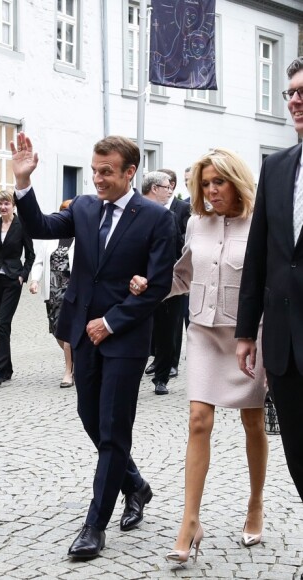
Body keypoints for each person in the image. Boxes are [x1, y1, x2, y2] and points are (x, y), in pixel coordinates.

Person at [12, 132, 177, 559]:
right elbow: (41, 227)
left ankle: (94, 525)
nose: (98, 179)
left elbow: (158, 283)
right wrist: (23, 184)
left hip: (125, 337)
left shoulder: (157, 218)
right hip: (83, 332)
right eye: (94, 170)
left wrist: (113, 320)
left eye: (107, 172)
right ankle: (136, 485)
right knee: (91, 418)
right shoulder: (84, 208)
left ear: (130, 172)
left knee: (113, 429)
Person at [131, 148, 267, 563]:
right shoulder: (196, 222)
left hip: (249, 334)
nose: (211, 191)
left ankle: (255, 504)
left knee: (252, 420)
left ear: (236, 181)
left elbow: (269, 280)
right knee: (198, 420)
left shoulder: (260, 222)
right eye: (205, 183)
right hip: (205, 332)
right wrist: (149, 286)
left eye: (218, 182)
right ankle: (190, 520)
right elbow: (183, 276)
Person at [236, 56, 303, 504]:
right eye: (290, 93)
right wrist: (245, 332)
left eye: (302, 92)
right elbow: (258, 252)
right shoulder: (276, 167)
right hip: (284, 345)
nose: (294, 101)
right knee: (298, 457)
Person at [0, 190, 35, 387]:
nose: (3, 207)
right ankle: (7, 369)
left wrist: (23, 275)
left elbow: (30, 254)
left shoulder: (22, 225)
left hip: (13, 280)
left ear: (13, 205)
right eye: (0, 203)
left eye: (7, 203)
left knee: (3, 322)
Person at [140, 171, 185, 395]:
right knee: (143, 331)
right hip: (139, 283)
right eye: (167, 187)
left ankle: (162, 378)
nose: (171, 190)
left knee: (167, 332)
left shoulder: (172, 216)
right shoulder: (135, 213)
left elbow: (179, 248)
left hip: (169, 284)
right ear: (154, 188)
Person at [28, 199, 74, 388]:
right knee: (57, 331)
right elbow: (39, 261)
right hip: (53, 291)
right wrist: (34, 280)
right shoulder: (51, 237)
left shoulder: (82, 236)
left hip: (73, 291)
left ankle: (68, 370)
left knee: (69, 331)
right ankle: (76, 358)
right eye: (63, 211)